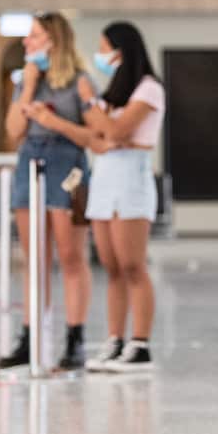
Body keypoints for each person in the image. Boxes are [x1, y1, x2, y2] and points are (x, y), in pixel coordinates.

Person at [0, 12, 95, 372]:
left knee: (71, 256)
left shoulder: (80, 83)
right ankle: (29, 337)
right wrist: (26, 87)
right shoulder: (25, 81)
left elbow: (93, 138)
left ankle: (75, 339)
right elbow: (13, 130)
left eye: (35, 36)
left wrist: (53, 121)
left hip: (66, 161)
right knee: (34, 258)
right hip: (30, 160)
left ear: (54, 40)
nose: (27, 43)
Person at [79, 22, 165, 372]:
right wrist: (105, 132)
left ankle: (140, 343)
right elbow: (94, 136)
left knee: (133, 265)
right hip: (104, 180)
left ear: (121, 50)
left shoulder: (149, 89)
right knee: (111, 267)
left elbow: (112, 130)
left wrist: (92, 106)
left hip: (132, 180)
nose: (100, 56)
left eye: (104, 48)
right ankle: (115, 339)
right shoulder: (114, 92)